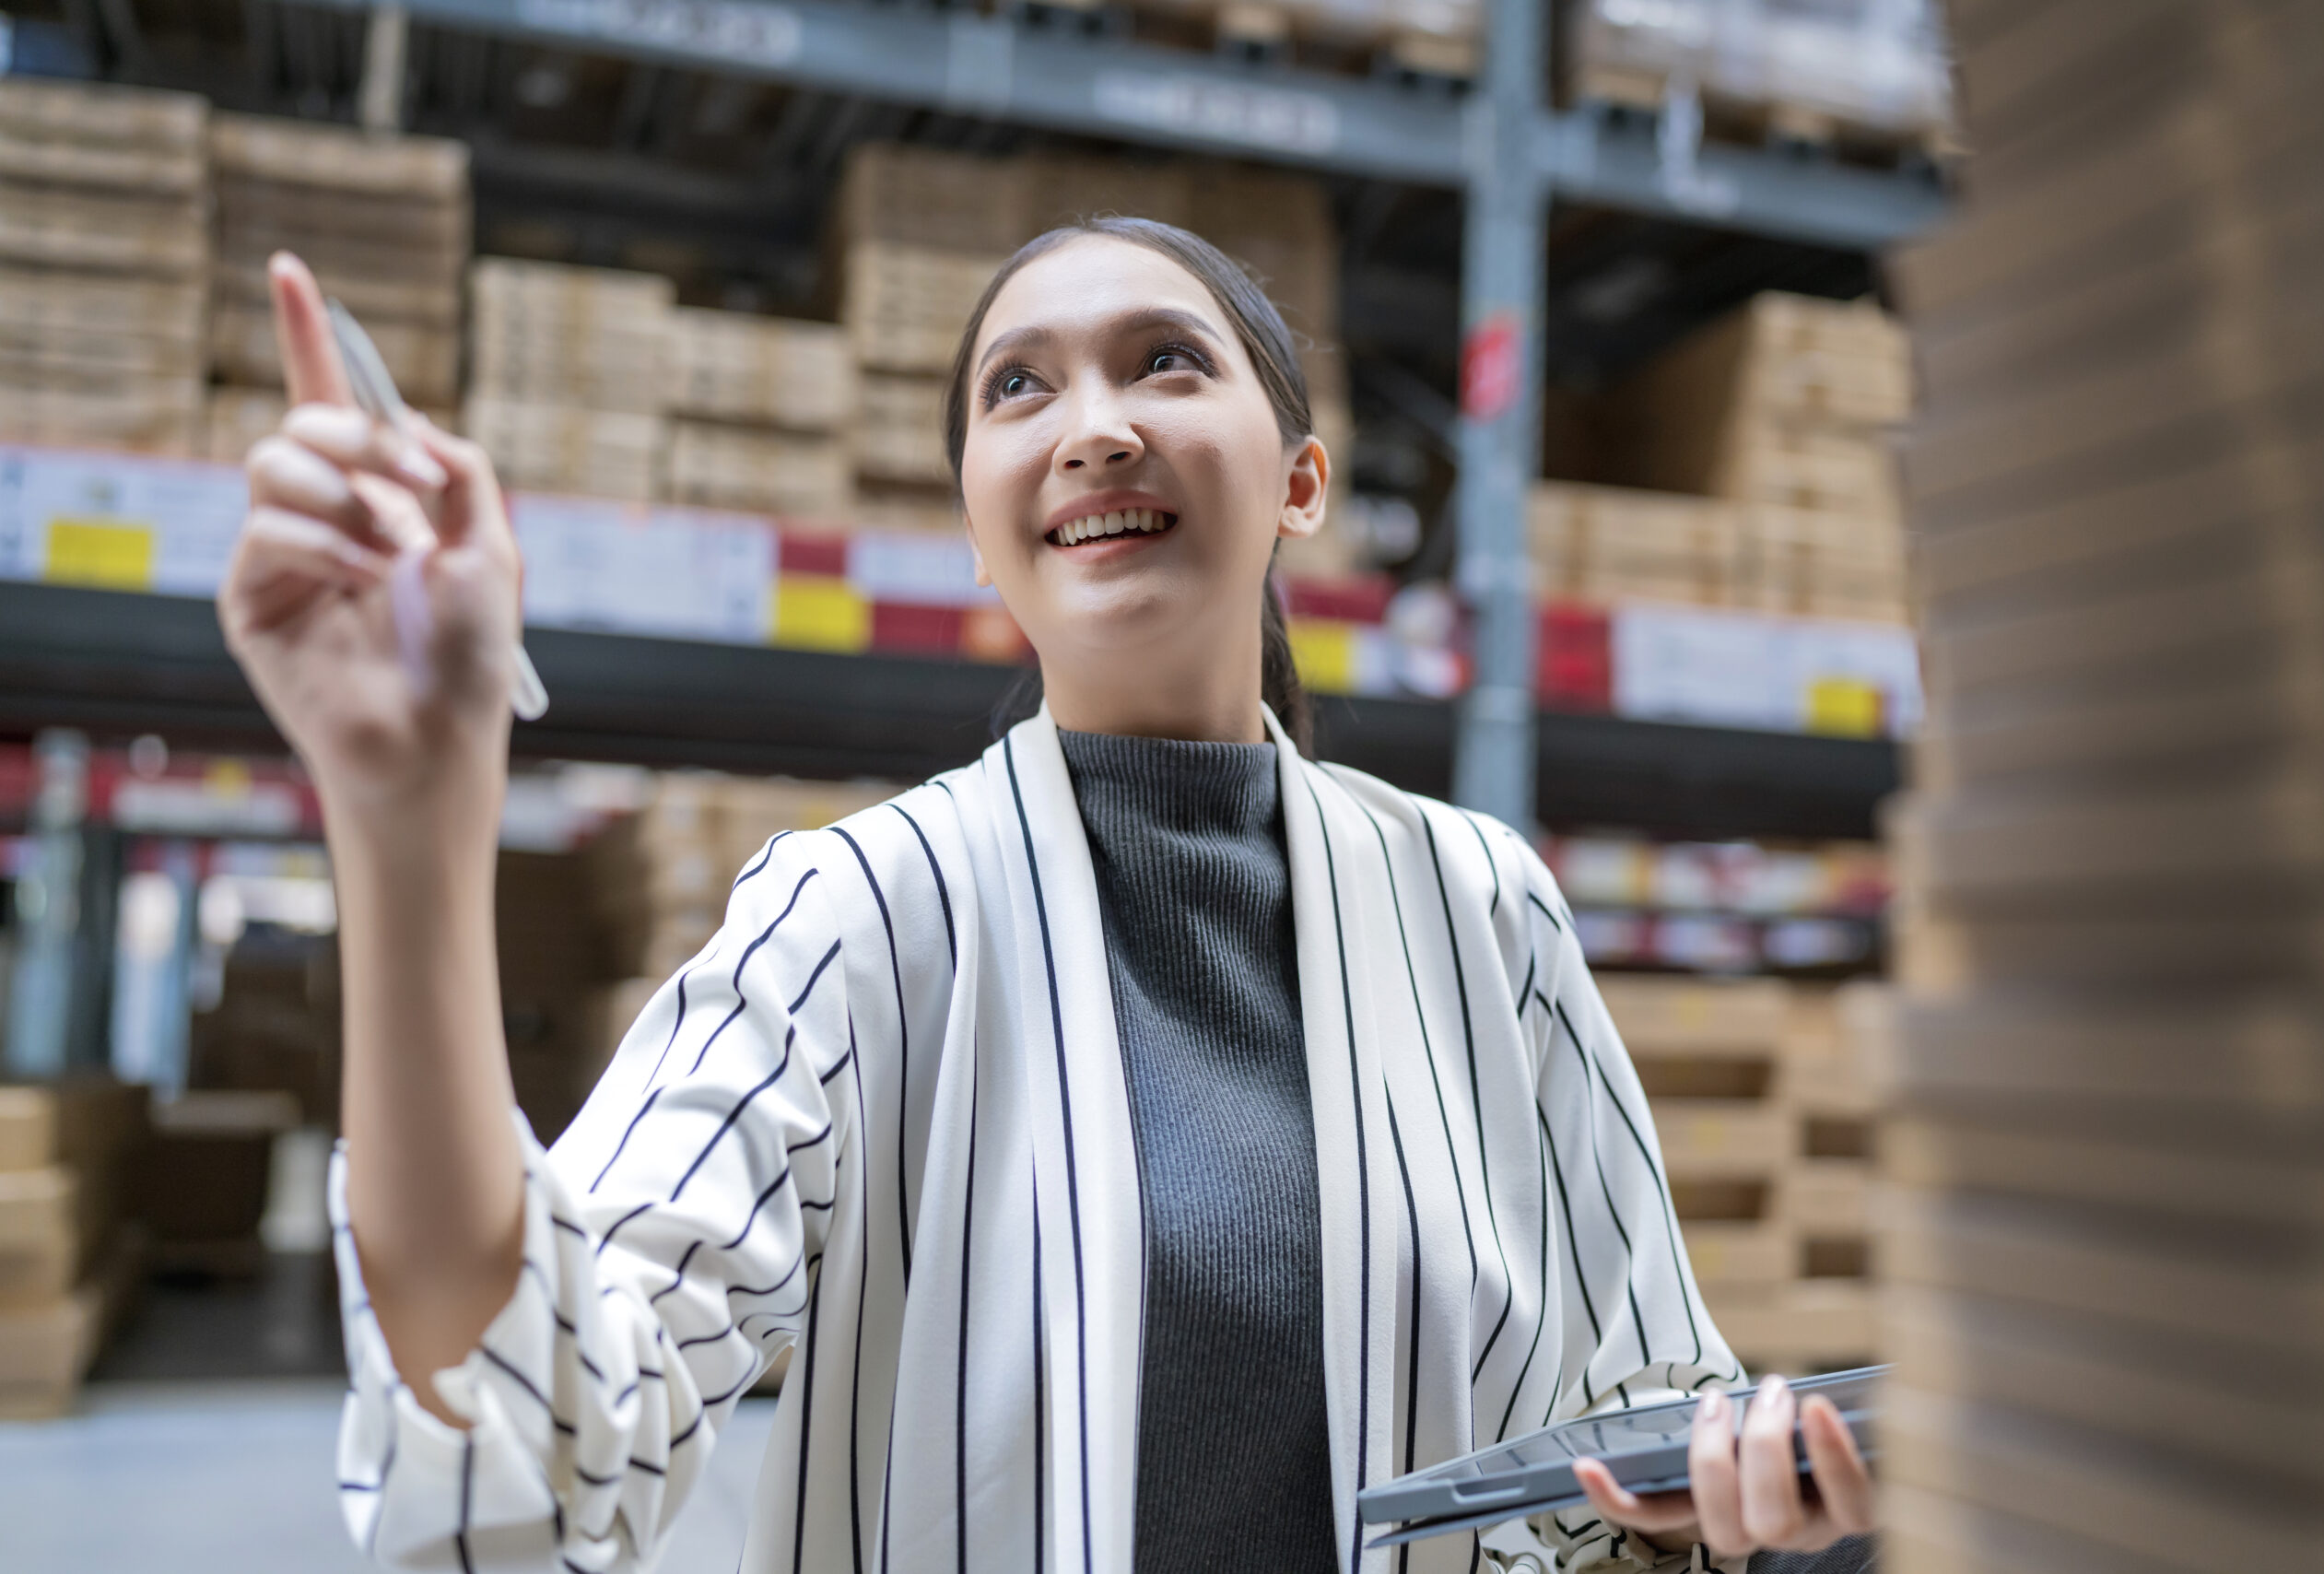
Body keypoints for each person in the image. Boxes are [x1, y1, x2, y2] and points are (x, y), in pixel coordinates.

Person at [222, 219, 1873, 1574]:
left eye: (1165, 360)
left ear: (1302, 484)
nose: (1094, 424)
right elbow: (534, 1438)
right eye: (1021, 388)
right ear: (978, 526)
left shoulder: (1477, 905)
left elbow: (1649, 1406)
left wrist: (1722, 1509)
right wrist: (409, 826)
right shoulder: (858, 917)